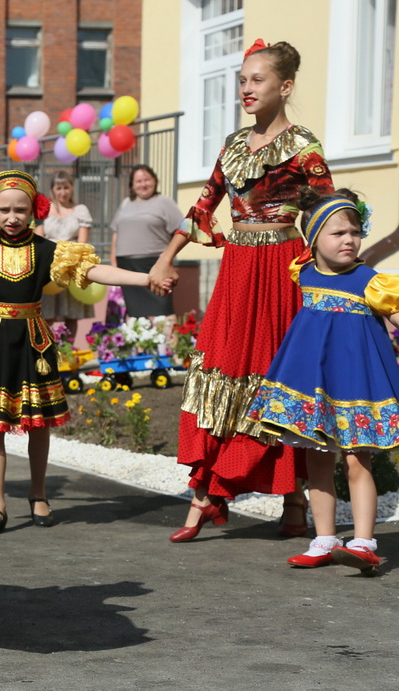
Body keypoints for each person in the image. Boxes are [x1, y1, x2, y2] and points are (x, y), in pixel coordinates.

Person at [149, 40, 335, 542]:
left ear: (285, 87)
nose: (246, 89)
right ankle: (204, 493)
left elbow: (328, 217)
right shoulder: (232, 145)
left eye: (257, 80)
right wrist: (166, 258)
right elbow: (204, 205)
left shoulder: (304, 147)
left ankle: (293, 504)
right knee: (219, 370)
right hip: (237, 270)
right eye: (242, 79)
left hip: (282, 272)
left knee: (277, 377)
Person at [0, 170, 169, 535]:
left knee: (38, 424)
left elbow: (94, 271)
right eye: (4, 209)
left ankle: (38, 494)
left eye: (21, 209)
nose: (13, 217)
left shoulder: (49, 250)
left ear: (36, 209)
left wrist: (145, 278)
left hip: (33, 342)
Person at [249, 190, 389, 575]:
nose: (349, 240)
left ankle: (363, 542)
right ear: (312, 240)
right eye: (338, 233)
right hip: (313, 381)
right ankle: (324, 538)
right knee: (316, 459)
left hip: (357, 382)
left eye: (356, 232)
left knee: (358, 460)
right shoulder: (303, 271)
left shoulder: (370, 281)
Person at [109, 165, 183, 319]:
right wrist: (113, 261)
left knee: (162, 311)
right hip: (126, 266)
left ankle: (170, 344)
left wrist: (168, 259)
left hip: (154, 264)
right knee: (134, 314)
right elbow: (116, 232)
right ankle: (138, 344)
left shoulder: (164, 202)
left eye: (146, 180)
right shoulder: (126, 204)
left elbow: (181, 232)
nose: (143, 184)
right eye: (138, 181)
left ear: (155, 181)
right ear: (132, 185)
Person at [39, 171, 95, 340]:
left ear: (72, 188)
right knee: (46, 312)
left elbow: (82, 243)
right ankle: (47, 349)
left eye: (66, 187)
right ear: (52, 190)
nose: (63, 192)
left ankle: (68, 351)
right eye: (59, 188)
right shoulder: (45, 209)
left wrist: (71, 260)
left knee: (71, 312)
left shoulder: (80, 210)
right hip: (49, 265)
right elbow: (39, 237)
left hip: (71, 263)